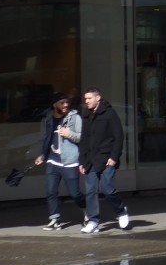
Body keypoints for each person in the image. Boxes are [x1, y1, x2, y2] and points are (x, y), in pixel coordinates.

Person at [79, 87, 129, 234]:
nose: (86, 101)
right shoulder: (87, 116)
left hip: (107, 159)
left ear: (98, 98)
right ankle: (93, 221)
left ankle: (121, 211)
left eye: (89, 98)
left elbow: (118, 136)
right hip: (90, 160)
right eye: (85, 99)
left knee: (107, 189)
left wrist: (114, 157)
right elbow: (83, 140)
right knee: (90, 191)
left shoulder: (109, 114)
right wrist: (82, 161)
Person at [33, 92, 85, 230]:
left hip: (70, 161)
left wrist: (70, 134)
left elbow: (82, 138)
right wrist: (42, 155)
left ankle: (87, 211)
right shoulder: (48, 119)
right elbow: (44, 139)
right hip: (53, 160)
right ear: (54, 105)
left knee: (75, 193)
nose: (66, 105)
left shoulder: (75, 118)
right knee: (51, 191)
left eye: (67, 102)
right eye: (62, 102)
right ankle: (54, 218)